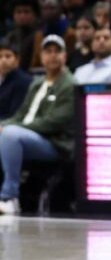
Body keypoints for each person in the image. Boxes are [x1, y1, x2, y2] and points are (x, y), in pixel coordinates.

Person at [0, 35, 76, 215]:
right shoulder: (37, 83)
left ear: (65, 56)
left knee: (11, 135)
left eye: (57, 51)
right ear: (41, 56)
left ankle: (9, 197)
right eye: (48, 51)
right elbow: (20, 115)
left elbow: (53, 122)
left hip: (55, 143)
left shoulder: (69, 84)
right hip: (28, 136)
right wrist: (2, 125)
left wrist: (12, 128)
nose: (53, 55)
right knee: (8, 132)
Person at [0, 41, 33, 121]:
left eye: (8, 56)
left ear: (17, 60)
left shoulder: (23, 81)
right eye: (0, 57)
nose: (3, 60)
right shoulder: (3, 78)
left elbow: (14, 115)